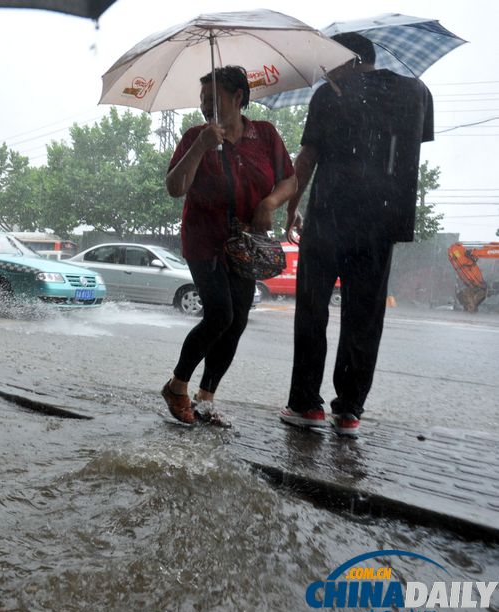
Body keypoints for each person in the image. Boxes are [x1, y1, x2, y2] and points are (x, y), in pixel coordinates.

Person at [279, 33, 434, 437]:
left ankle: (305, 405)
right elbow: (407, 146)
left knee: (313, 311)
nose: (325, 70)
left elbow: (308, 157)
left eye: (329, 60)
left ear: (347, 59)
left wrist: (292, 208)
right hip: (382, 222)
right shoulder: (418, 91)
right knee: (364, 319)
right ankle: (349, 412)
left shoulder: (329, 95)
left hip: (329, 219)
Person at [162, 66, 297, 427]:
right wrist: (201, 146)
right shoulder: (195, 136)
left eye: (214, 101)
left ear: (238, 98)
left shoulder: (265, 135)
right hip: (204, 240)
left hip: (245, 244)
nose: (206, 108)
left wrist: (269, 205)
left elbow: (290, 180)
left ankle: (205, 400)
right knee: (219, 313)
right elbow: (175, 187)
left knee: (237, 321)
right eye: (203, 101)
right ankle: (177, 385)